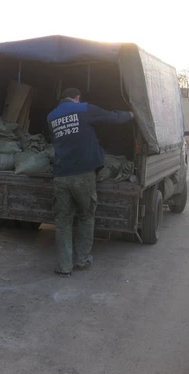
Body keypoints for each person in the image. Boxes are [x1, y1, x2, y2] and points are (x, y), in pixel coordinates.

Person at [47, 88, 133, 278]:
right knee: (86, 216)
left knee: (62, 221)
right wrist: (131, 114)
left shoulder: (51, 116)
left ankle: (64, 266)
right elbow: (111, 117)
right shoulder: (84, 109)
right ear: (77, 98)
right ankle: (82, 260)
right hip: (83, 175)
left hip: (60, 175)